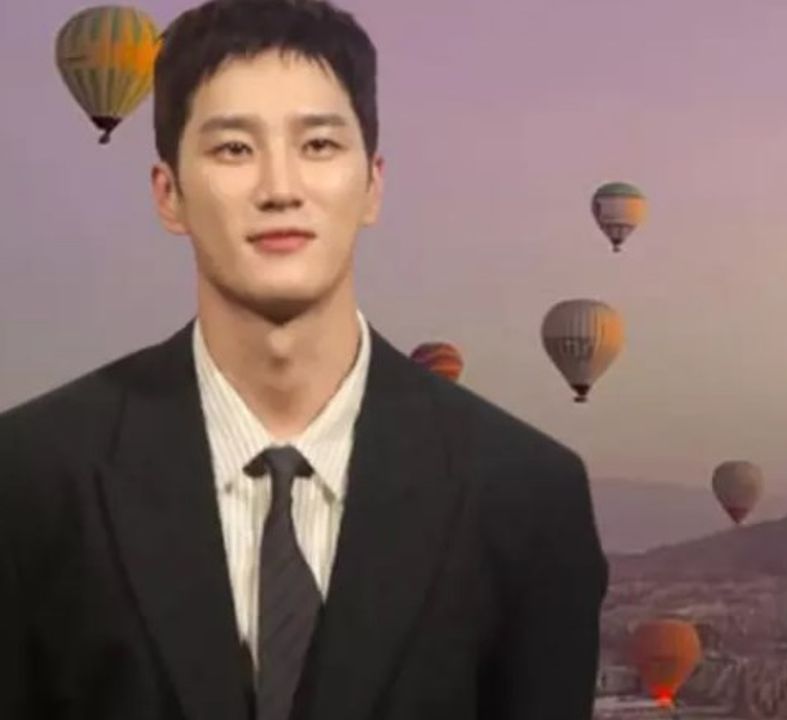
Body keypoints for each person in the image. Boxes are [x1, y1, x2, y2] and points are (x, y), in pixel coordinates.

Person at [0, 1, 609, 718]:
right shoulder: (29, 478)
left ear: (373, 185)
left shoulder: (528, 495)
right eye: (234, 149)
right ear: (169, 195)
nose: (280, 188)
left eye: (318, 145)